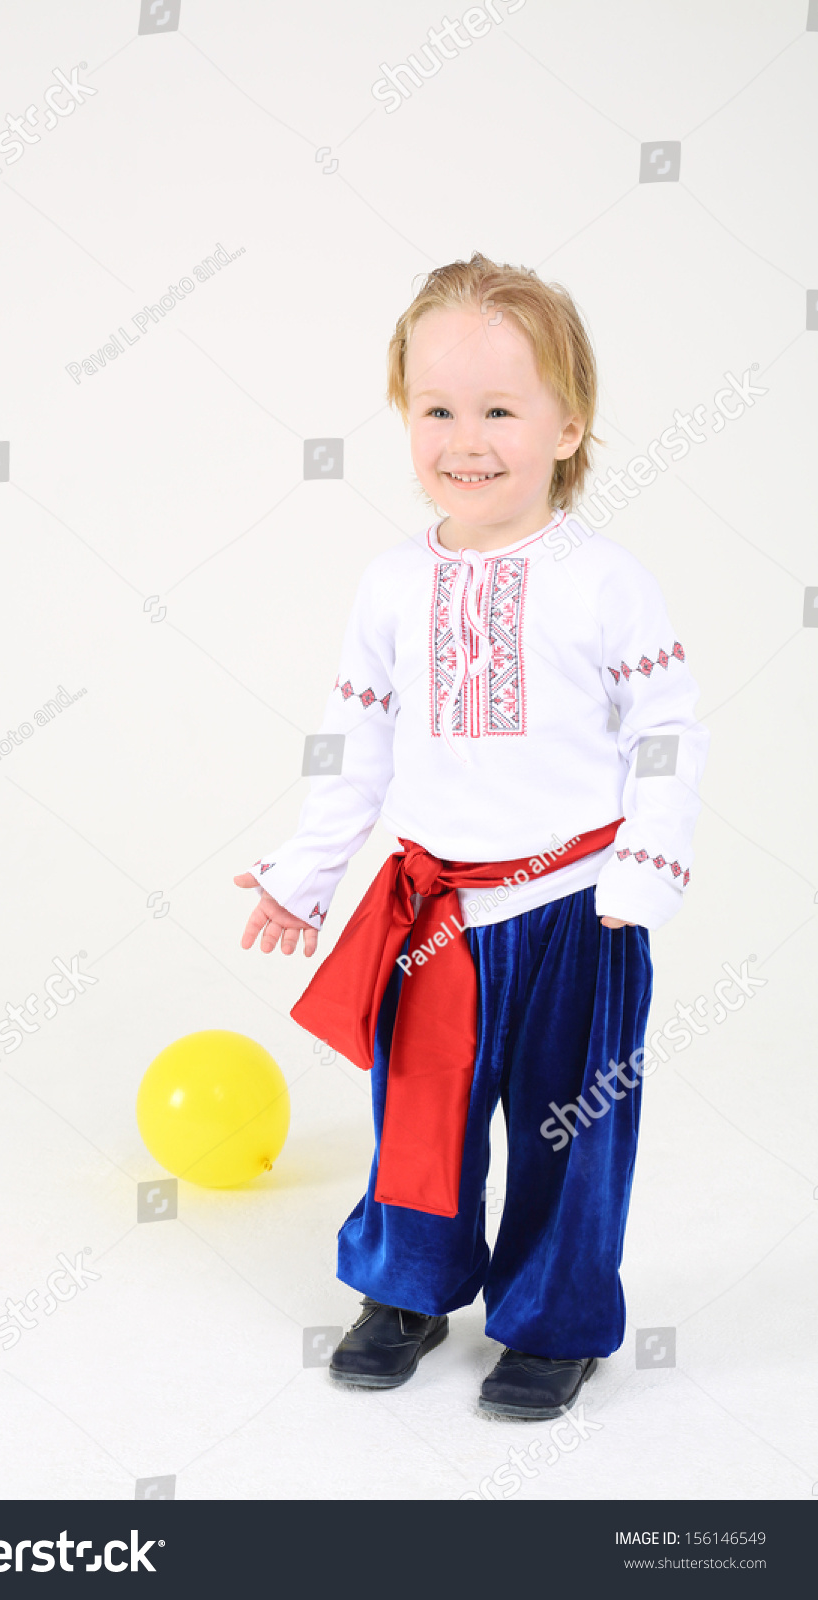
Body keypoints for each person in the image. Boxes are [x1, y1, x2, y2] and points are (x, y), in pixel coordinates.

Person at [233, 253, 708, 1420]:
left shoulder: (602, 581)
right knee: (422, 1112)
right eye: (436, 407)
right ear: (404, 416)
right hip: (434, 911)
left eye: (500, 407)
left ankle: (552, 1320)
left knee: (568, 1126)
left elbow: (666, 730)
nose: (466, 436)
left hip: (576, 912)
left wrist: (642, 871)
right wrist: (306, 876)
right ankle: (404, 1289)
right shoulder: (391, 585)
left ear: (567, 422)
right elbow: (354, 740)